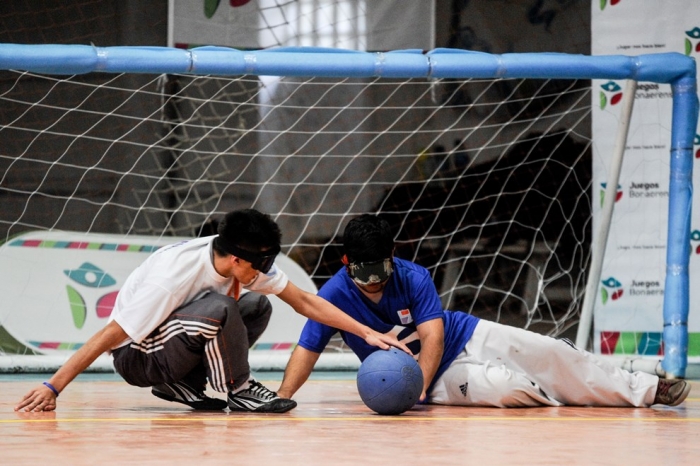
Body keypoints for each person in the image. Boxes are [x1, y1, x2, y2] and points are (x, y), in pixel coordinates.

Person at [278, 214, 691, 408]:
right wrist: (282, 397)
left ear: (393, 256)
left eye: (380, 270)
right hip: (436, 381)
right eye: (362, 273)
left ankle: (648, 389)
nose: (373, 282)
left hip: (461, 337)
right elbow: (306, 349)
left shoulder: (414, 276)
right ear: (346, 262)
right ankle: (560, 395)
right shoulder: (331, 294)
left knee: (553, 353)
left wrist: (415, 388)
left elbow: (434, 339)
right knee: (509, 388)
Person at [15, 209, 408, 413]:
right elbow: (111, 336)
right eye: (261, 263)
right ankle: (240, 393)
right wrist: (53, 387)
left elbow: (305, 301)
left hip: (167, 346)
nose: (265, 270)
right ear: (237, 259)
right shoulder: (173, 276)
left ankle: (182, 384)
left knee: (255, 304)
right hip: (136, 357)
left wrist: (367, 332)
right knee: (222, 307)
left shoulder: (236, 263)